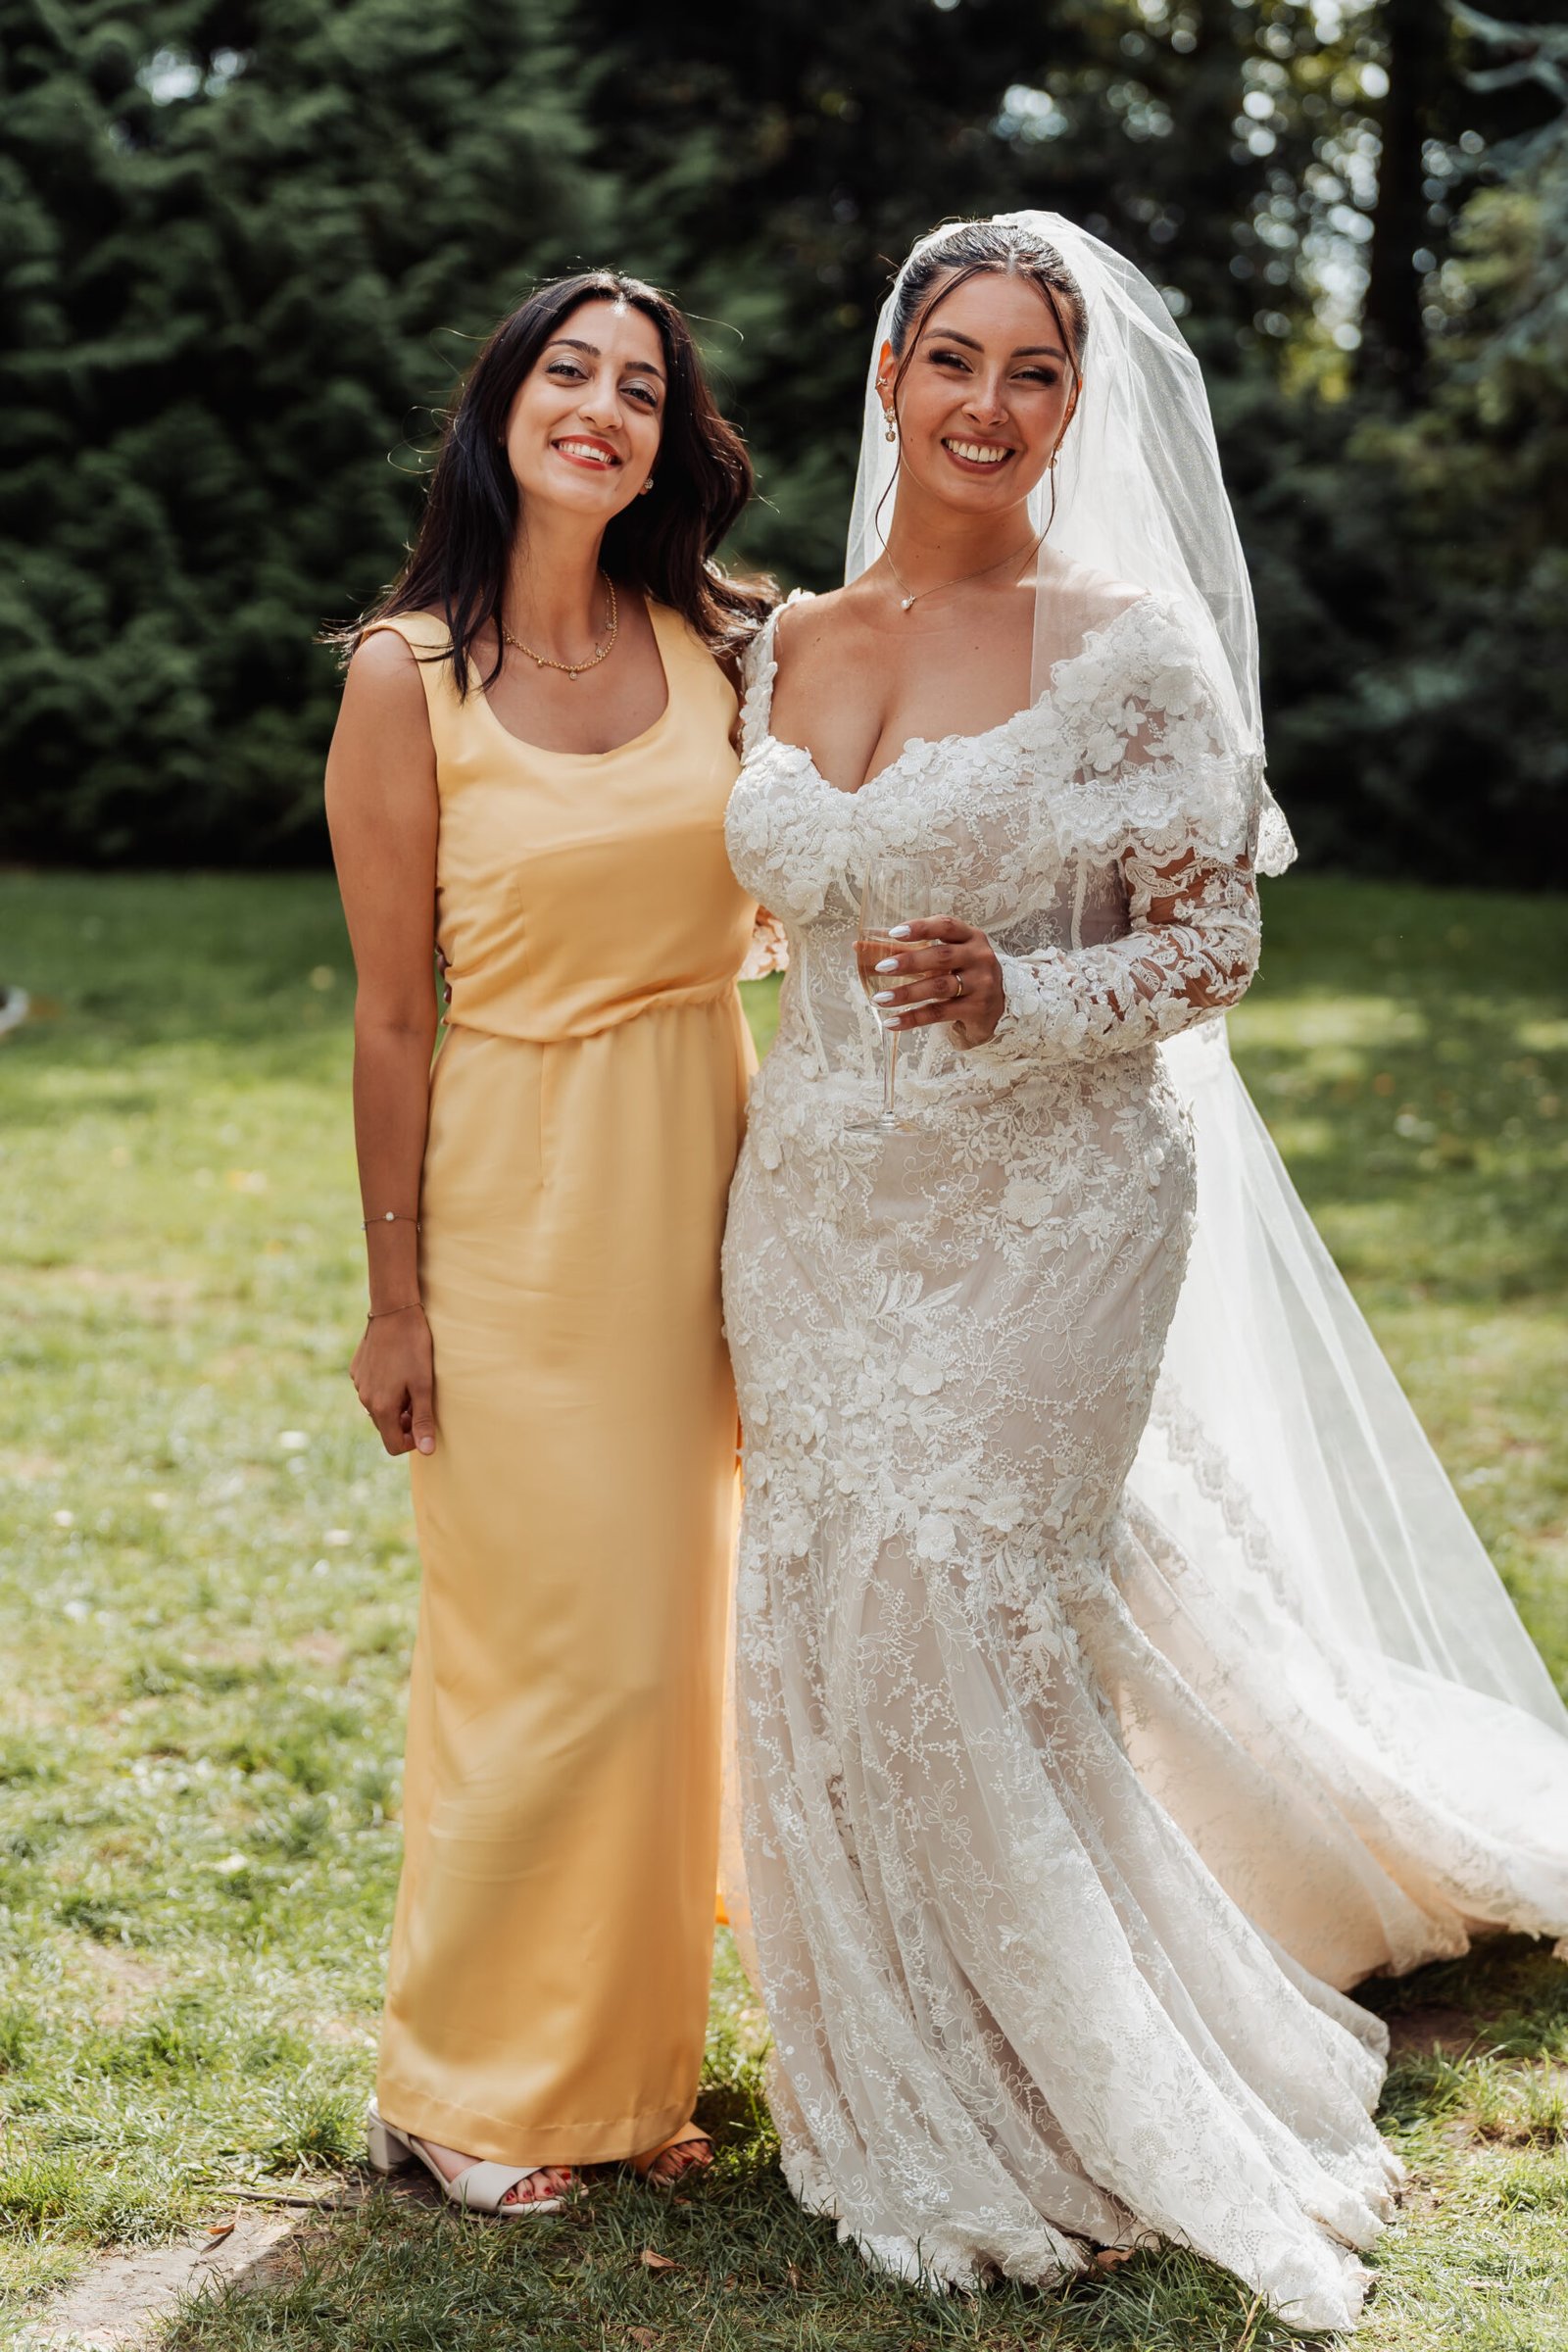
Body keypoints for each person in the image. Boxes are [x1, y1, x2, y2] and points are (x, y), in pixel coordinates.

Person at [718, 214, 1568, 2329]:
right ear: (891, 375)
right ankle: (898, 2027)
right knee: (829, 1602)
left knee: (965, 1595)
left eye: (1033, 371)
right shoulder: (782, 644)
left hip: (1056, 1206)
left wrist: (1013, 988)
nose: (987, 405)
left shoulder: (1128, 649)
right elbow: (750, 906)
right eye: (954, 359)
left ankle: (1076, 2061)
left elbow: (1215, 945)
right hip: (813, 1209)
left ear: (1074, 406)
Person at [325, 270, 774, 2215]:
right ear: (499, 410)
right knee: (543, 1655)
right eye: (568, 372)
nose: (602, 405)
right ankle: (457, 2088)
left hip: (714, 1180)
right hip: (516, 1203)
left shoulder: (726, 647)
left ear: (671, 441)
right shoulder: (405, 675)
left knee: (670, 1650)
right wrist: (394, 1299)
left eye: (641, 386)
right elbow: (389, 1017)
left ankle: (615, 2071)